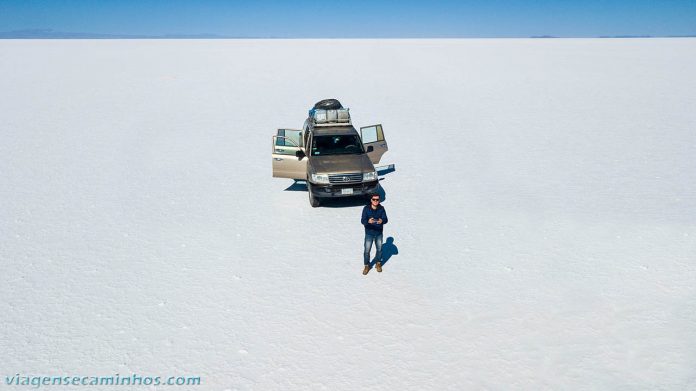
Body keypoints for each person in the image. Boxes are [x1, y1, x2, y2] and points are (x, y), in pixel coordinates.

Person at [361, 193, 388, 275]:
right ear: (371, 200)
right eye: (374, 199)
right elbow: (362, 220)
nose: (375, 201)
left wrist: (382, 221)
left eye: (377, 200)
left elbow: (386, 219)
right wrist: (368, 221)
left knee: (379, 250)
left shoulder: (382, 208)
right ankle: (367, 265)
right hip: (369, 233)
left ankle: (378, 263)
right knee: (367, 251)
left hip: (379, 233)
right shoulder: (366, 209)